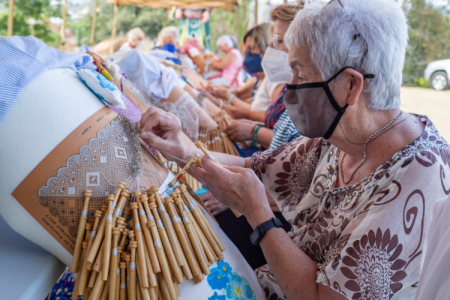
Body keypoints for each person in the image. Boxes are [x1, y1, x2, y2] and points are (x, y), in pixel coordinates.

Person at [139, 0, 450, 299]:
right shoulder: (336, 138)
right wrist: (179, 145)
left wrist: (259, 216)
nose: (289, 88)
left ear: (351, 86)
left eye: (301, 75)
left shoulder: (419, 176)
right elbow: (252, 169)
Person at [225, 3, 303, 151]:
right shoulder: (289, 87)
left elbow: (296, 148)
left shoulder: (309, 95)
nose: (271, 49)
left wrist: (253, 131)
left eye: (279, 41)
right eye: (272, 41)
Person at [203, 24, 284, 123]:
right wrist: (222, 93)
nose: (246, 58)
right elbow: (240, 94)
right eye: (246, 51)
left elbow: (277, 120)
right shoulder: (260, 78)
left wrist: (227, 96)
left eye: (251, 49)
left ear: (266, 47)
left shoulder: (275, 80)